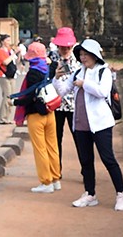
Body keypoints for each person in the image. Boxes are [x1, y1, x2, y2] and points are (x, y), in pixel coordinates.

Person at [54, 39, 123, 210]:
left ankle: (121, 194)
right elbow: (63, 91)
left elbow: (102, 92)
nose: (83, 57)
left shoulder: (104, 72)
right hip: (81, 124)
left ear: (95, 55)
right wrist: (57, 78)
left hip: (100, 124)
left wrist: (84, 84)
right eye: (80, 54)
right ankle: (90, 193)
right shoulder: (78, 72)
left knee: (108, 159)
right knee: (86, 160)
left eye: (86, 54)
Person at [12, 41, 62, 193]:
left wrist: (15, 101)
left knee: (40, 149)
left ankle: (46, 182)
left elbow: (31, 96)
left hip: (36, 114)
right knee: (52, 146)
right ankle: (55, 179)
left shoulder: (33, 73)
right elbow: (54, 63)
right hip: (50, 111)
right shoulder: (49, 68)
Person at [51, 26, 80, 172]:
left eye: (68, 46)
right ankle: (57, 169)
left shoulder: (79, 58)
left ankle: (85, 170)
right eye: (62, 46)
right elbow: (46, 80)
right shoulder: (52, 57)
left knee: (80, 139)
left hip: (75, 105)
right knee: (56, 139)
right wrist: (54, 74)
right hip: (56, 105)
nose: (65, 49)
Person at [0, 34, 17, 124]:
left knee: (11, 97)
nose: (9, 42)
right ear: (2, 41)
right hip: (4, 75)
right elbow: (5, 62)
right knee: (7, 96)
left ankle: (7, 117)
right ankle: (2, 118)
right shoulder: (0, 51)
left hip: (12, 75)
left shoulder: (9, 50)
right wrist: (13, 55)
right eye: (7, 40)